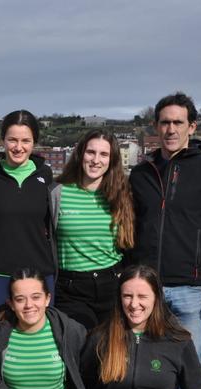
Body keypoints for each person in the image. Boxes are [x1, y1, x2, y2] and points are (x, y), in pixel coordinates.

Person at [130, 92, 201, 361]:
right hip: (144, 287)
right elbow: (128, 228)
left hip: (191, 290)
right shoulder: (141, 173)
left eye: (178, 123)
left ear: (192, 126)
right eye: (164, 123)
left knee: (188, 369)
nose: (171, 129)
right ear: (156, 126)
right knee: (143, 366)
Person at [0, 110, 55, 317]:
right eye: (12, 140)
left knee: (35, 341)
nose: (19, 147)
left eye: (25, 141)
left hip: (38, 274)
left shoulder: (45, 174)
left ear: (34, 142)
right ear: (3, 140)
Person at [52, 130, 134, 330]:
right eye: (91, 152)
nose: (96, 160)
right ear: (80, 154)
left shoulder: (122, 194)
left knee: (109, 352)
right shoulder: (58, 192)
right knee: (78, 348)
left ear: (112, 160)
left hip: (112, 283)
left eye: (104, 154)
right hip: (70, 287)